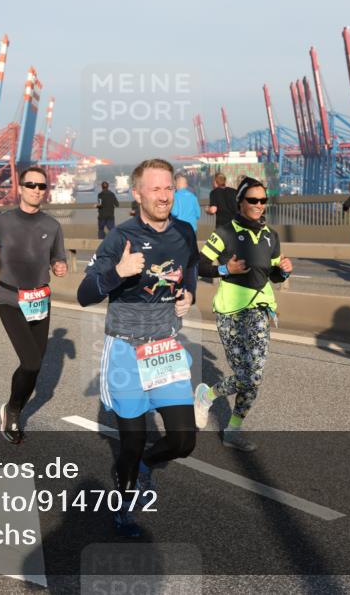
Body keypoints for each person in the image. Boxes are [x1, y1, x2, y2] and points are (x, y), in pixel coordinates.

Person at [77, 158, 198, 538]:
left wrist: (189, 294)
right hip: (126, 351)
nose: (163, 196)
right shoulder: (120, 238)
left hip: (164, 348)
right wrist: (119, 273)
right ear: (138, 193)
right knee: (130, 442)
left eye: (168, 189)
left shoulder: (184, 232)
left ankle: (145, 464)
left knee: (182, 440)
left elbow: (190, 267)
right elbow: (84, 294)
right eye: (156, 189)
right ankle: (123, 510)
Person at [194, 176, 292, 449]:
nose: (259, 205)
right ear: (240, 202)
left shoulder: (271, 235)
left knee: (255, 378)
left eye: (263, 200)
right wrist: (225, 270)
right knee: (247, 376)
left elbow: (272, 276)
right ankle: (207, 396)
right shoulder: (225, 233)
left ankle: (233, 431)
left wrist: (282, 270)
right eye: (253, 200)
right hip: (232, 312)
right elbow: (200, 265)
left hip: (260, 310)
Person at [0, 167, 67, 444]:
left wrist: (59, 265)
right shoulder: (1, 223)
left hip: (40, 300)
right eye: (31, 185)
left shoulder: (52, 226)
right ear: (20, 188)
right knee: (30, 362)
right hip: (10, 299)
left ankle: (13, 407)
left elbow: (57, 259)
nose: (36, 190)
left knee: (36, 366)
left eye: (42, 186)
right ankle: (13, 411)